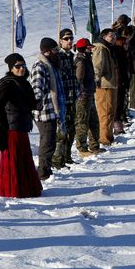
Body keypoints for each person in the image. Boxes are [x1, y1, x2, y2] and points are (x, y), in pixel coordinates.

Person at [0, 53, 42, 197]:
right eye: (17, 66)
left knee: (23, 159)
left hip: (22, 125)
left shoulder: (23, 82)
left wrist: (37, 104)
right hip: (11, 128)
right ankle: (12, 190)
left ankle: (26, 189)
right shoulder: (8, 84)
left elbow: (30, 102)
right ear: (11, 68)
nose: (21, 69)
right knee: (14, 160)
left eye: (23, 65)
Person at [29, 38, 64, 180]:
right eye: (55, 50)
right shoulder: (40, 66)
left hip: (51, 110)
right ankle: (42, 172)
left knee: (50, 141)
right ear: (48, 52)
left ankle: (46, 169)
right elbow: (36, 86)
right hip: (44, 111)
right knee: (47, 142)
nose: (57, 52)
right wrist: (37, 101)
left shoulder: (50, 65)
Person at [53, 29, 80, 168]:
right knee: (61, 132)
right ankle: (58, 160)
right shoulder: (58, 57)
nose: (69, 41)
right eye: (66, 38)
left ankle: (67, 156)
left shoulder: (70, 55)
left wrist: (78, 91)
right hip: (62, 100)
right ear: (60, 41)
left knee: (71, 130)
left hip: (72, 97)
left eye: (71, 38)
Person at [91, 29, 119, 148]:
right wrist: (97, 80)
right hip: (104, 85)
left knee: (110, 111)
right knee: (105, 112)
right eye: (110, 36)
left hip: (111, 84)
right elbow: (97, 66)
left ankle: (108, 136)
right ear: (104, 37)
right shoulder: (100, 48)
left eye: (114, 36)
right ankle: (104, 138)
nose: (113, 38)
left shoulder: (108, 48)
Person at [71, 38, 99, 155]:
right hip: (83, 96)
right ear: (83, 49)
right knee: (82, 122)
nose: (91, 50)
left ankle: (94, 145)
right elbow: (79, 79)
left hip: (89, 94)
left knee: (93, 120)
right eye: (89, 48)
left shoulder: (87, 59)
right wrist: (81, 93)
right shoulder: (81, 62)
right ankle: (82, 148)